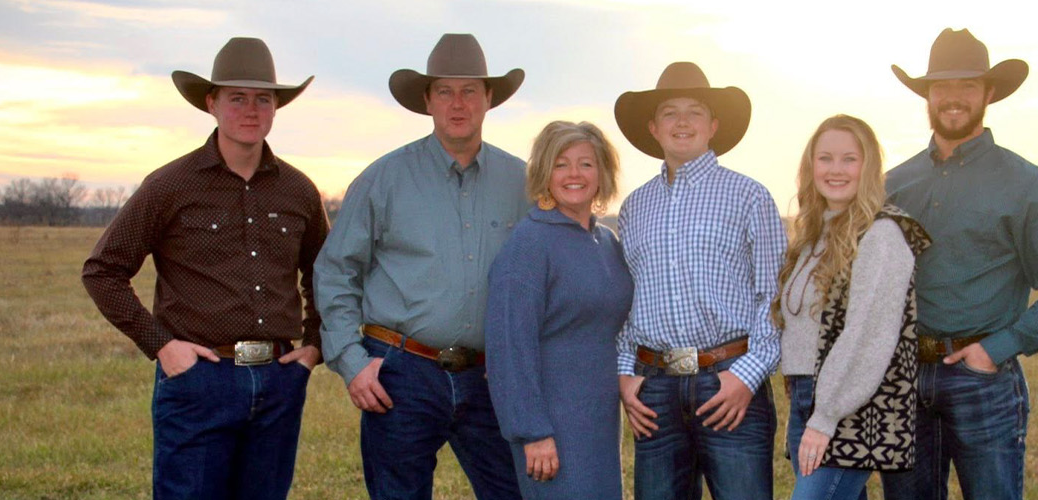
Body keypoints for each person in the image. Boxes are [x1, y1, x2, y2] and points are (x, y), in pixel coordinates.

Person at [81, 37, 326, 499]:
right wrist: (163, 347)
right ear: (211, 103)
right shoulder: (170, 186)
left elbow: (325, 277)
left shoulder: (298, 191)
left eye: (263, 99)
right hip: (200, 380)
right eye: (237, 98)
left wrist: (313, 348)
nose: (251, 110)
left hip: (278, 381)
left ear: (276, 108)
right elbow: (103, 271)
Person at [879, 28, 1038, 500]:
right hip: (903, 381)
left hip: (983, 380)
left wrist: (998, 348)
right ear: (927, 96)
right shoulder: (893, 182)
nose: (953, 98)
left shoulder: (1026, 184)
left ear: (989, 93)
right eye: (941, 87)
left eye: (967, 86)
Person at [315, 33, 527, 500]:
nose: (458, 103)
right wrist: (352, 362)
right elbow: (335, 272)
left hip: (491, 379)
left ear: (489, 98)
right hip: (402, 372)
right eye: (445, 91)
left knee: (517, 493)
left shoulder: (521, 181)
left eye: (470, 90)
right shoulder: (383, 178)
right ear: (427, 100)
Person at [612, 61, 786, 499]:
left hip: (726, 379)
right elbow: (626, 302)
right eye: (670, 112)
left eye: (694, 111)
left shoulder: (749, 196)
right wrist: (624, 374)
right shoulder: (635, 207)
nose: (682, 121)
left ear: (713, 125)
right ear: (653, 127)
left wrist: (745, 377)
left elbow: (775, 298)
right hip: (656, 389)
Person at [774, 115, 931, 500]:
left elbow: (868, 335)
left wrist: (826, 414)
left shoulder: (881, 234)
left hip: (845, 406)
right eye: (825, 158)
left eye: (849, 159)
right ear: (811, 166)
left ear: (869, 167)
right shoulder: (812, 235)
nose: (836, 169)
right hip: (805, 396)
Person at [483, 121, 634, 499]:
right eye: (561, 164)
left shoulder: (606, 241)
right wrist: (532, 432)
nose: (574, 175)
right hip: (551, 425)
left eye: (586, 164)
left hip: (599, 420)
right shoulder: (529, 244)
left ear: (602, 173)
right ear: (544, 173)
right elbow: (509, 347)